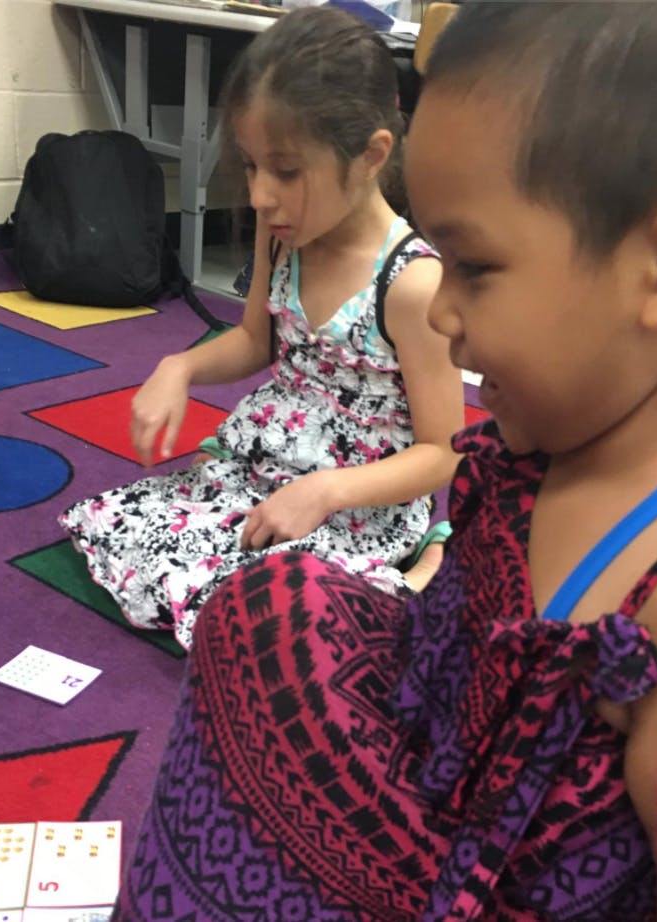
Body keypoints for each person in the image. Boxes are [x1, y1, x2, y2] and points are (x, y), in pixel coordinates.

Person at [109, 2, 657, 919]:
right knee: (261, 608)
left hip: (471, 883)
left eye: (471, 267)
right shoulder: (534, 449)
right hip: (433, 763)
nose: (441, 313)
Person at [60, 6, 462, 650]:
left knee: (266, 613)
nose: (258, 196)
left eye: (286, 171)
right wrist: (180, 367)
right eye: (250, 166)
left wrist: (326, 491)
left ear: (370, 156)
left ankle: (421, 569)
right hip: (270, 459)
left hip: (356, 499)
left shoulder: (412, 283)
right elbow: (256, 340)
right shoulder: (284, 237)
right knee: (126, 530)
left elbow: (444, 452)